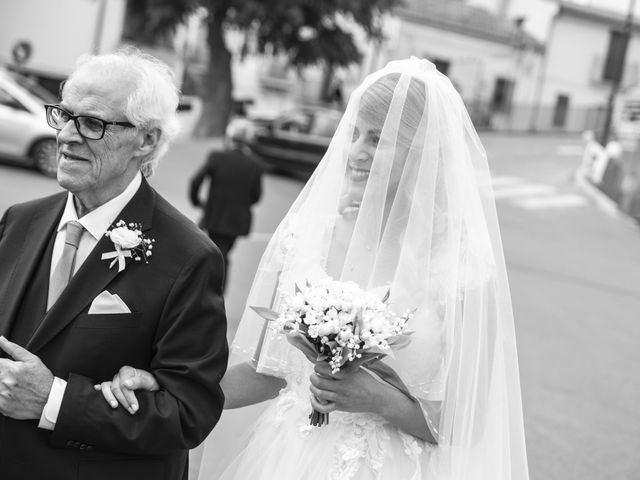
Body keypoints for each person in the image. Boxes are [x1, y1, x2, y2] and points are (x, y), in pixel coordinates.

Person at [99, 57, 529, 479]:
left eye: (378, 139)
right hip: (290, 457)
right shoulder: (309, 236)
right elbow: (269, 374)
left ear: (422, 154)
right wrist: (171, 387)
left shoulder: (460, 263)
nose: (355, 152)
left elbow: (468, 425)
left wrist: (380, 399)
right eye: (355, 134)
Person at [0, 48, 228, 480]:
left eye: (92, 123)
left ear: (147, 141)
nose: (66, 136)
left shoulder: (190, 257)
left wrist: (55, 401)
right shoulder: (21, 219)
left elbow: (189, 413)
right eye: (64, 115)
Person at [189, 127, 263, 292]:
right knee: (221, 253)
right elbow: (256, 196)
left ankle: (210, 290)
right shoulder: (255, 164)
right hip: (236, 221)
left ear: (231, 139)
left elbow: (196, 181)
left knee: (214, 253)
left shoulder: (218, 157)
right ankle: (216, 290)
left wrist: (197, 202)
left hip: (214, 215)